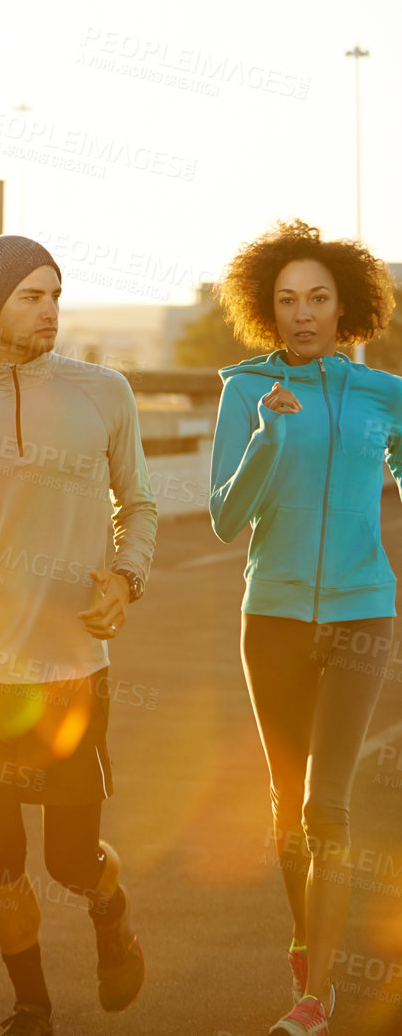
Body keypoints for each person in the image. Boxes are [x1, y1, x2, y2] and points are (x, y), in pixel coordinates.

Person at [0, 234, 156, 1036]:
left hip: (69, 662)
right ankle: (31, 1005)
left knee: (69, 859)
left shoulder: (103, 393)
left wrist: (125, 577)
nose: (49, 310)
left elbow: (137, 505)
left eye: (54, 293)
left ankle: (108, 911)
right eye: (30, 296)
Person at [206, 219, 400, 1036]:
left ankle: (314, 996)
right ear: (265, 309)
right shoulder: (245, 390)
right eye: (286, 300)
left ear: (345, 304)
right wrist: (267, 436)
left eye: (317, 298)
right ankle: (306, 936)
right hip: (272, 616)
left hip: (361, 609)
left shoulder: (381, 394)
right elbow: (223, 518)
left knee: (327, 806)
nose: (302, 314)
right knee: (286, 804)